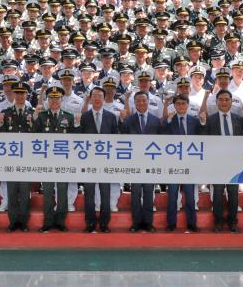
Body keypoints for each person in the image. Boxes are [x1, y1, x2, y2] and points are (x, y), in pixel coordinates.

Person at [200, 89, 243, 233]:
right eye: (221, 99)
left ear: (231, 102)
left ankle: (233, 222)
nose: (224, 102)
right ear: (217, 101)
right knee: (218, 193)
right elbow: (205, 141)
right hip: (217, 162)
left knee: (233, 192)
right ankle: (218, 222)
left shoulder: (238, 119)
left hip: (234, 162)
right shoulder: (210, 119)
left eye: (227, 99)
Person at [33, 86, 77, 232]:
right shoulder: (41, 116)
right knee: (47, 192)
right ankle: (48, 221)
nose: (54, 101)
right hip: (46, 161)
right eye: (51, 98)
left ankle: (60, 221)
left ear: (61, 99)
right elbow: (34, 137)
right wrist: (33, 117)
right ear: (48, 100)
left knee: (62, 191)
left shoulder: (69, 117)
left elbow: (74, 140)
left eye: (56, 98)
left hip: (63, 161)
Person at [119, 91, 162, 233]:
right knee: (136, 193)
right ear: (134, 103)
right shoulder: (129, 120)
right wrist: (121, 120)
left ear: (148, 101)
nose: (141, 103)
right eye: (138, 101)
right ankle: (136, 222)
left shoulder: (156, 121)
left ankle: (148, 223)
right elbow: (122, 136)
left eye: (144, 100)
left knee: (149, 193)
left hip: (151, 163)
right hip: (135, 163)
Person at [79, 87, 119, 233]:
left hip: (105, 162)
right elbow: (80, 139)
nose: (97, 98)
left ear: (104, 98)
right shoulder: (84, 117)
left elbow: (115, 138)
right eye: (94, 96)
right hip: (89, 162)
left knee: (105, 193)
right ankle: (90, 223)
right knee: (89, 193)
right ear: (90, 98)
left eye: (100, 96)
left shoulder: (111, 116)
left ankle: (104, 223)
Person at [0, 81, 35, 232]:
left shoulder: (32, 113)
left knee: (25, 193)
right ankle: (13, 221)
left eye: (23, 93)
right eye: (17, 93)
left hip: (26, 159)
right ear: (13, 94)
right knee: (12, 192)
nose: (20, 96)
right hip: (11, 159)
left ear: (27, 95)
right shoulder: (6, 113)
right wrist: (0, 124)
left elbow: (37, 137)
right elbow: (1, 137)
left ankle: (24, 222)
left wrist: (33, 124)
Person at [164, 94, 202, 233]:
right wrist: (167, 121)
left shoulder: (194, 121)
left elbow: (202, 138)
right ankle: (171, 224)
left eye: (183, 103)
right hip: (173, 164)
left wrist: (203, 123)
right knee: (172, 195)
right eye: (178, 103)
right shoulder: (169, 121)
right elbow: (161, 137)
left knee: (190, 197)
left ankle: (192, 224)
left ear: (187, 105)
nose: (180, 106)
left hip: (189, 164)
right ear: (174, 106)